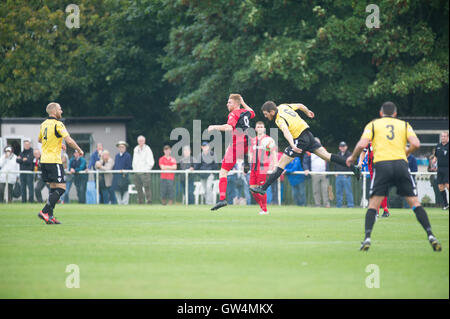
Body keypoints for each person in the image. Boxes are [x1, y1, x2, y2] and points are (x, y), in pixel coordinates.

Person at [346, 101, 442, 251]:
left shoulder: (373, 125)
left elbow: (361, 144)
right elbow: (416, 143)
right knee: (415, 203)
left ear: (380, 113)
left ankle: (367, 238)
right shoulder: (404, 125)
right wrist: (406, 153)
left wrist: (352, 158)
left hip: (382, 165)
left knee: (373, 205)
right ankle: (430, 235)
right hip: (401, 165)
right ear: (395, 114)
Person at [250, 101, 361, 197]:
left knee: (281, 163)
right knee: (327, 156)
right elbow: (300, 105)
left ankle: (263, 188)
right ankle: (353, 168)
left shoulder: (279, 119)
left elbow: (286, 131)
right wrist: (307, 112)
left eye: (266, 114)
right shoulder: (283, 106)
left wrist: (293, 145)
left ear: (272, 112)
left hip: (300, 139)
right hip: (308, 135)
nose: (265, 116)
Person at [37, 102, 84, 224]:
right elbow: (69, 140)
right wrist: (79, 150)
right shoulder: (58, 124)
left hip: (44, 160)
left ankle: (50, 217)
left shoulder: (43, 124)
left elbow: (40, 139)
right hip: (54, 160)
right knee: (62, 188)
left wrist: (58, 143)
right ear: (54, 111)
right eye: (60, 109)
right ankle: (45, 211)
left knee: (53, 188)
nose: (61, 111)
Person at [208, 94, 255, 211]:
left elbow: (229, 128)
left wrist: (214, 127)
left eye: (229, 102)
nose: (227, 104)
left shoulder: (233, 114)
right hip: (247, 143)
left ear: (235, 104)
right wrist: (243, 102)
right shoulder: (245, 112)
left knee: (223, 172)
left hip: (237, 145)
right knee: (243, 149)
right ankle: (246, 162)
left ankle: (222, 199)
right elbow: (252, 112)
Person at [248, 121, 278, 214]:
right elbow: (250, 153)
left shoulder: (268, 140)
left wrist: (275, 164)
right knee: (252, 189)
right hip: (253, 167)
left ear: (264, 129)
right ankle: (262, 207)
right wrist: (249, 161)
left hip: (262, 167)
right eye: (258, 126)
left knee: (261, 189)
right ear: (256, 129)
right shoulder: (253, 140)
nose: (260, 128)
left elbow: (273, 152)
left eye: (261, 126)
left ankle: (264, 209)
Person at [358, 142, 389, 217]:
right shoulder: (369, 143)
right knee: (376, 188)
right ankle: (378, 210)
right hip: (372, 168)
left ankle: (384, 209)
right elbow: (363, 152)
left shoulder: (383, 140)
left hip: (382, 167)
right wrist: (360, 162)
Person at [303, 141, 330, 208]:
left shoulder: (324, 150)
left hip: (324, 173)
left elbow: (328, 159)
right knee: (316, 190)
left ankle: (326, 204)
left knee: (325, 190)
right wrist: (306, 169)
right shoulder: (309, 152)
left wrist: (327, 171)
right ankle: (318, 204)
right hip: (314, 173)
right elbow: (305, 162)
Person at [132, 135, 155, 204]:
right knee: (138, 188)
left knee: (147, 188)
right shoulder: (135, 149)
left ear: (144, 141)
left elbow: (151, 161)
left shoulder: (148, 149)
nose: (141, 142)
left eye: (142, 141)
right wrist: (135, 170)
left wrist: (146, 170)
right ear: (137, 141)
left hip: (145, 172)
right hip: (137, 172)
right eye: (139, 141)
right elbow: (134, 161)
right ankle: (140, 201)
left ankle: (149, 201)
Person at [333, 141, 354, 208]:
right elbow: (335, 164)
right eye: (341, 146)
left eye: (344, 146)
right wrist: (335, 172)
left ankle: (350, 205)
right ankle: (339, 206)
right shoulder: (338, 154)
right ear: (339, 147)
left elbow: (352, 165)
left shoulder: (350, 155)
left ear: (346, 147)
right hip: (338, 176)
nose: (342, 148)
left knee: (348, 192)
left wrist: (347, 174)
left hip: (346, 176)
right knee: (338, 192)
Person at [432, 131, 449, 210]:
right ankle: (446, 204)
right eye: (442, 136)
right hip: (440, 169)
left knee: (448, 186)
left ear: (448, 137)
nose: (443, 138)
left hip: (447, 169)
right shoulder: (438, 146)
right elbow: (435, 156)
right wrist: (434, 161)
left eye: (444, 136)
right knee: (440, 187)